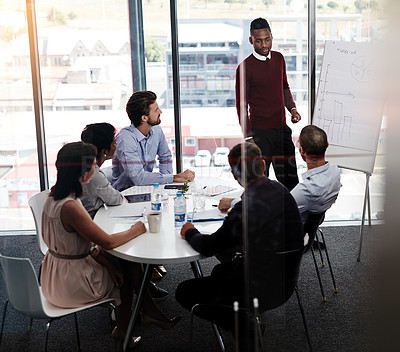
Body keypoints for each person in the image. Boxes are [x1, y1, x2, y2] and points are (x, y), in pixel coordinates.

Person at [41, 142, 181, 350]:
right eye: (93, 166)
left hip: (55, 270)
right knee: (124, 279)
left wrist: (107, 262)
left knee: (127, 262)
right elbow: (106, 241)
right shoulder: (71, 206)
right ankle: (127, 329)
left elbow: (82, 245)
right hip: (69, 281)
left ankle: (146, 311)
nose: (96, 168)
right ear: (84, 173)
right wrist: (136, 229)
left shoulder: (53, 197)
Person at [175, 143, 303, 342]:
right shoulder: (281, 190)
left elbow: (209, 247)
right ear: (262, 163)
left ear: (235, 176)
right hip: (286, 280)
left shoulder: (245, 209)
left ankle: (244, 327)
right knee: (221, 271)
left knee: (184, 291)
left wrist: (190, 232)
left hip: (261, 288)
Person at [81, 123, 169, 298]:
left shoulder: (87, 167)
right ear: (104, 149)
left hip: (96, 219)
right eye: (113, 141)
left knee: (134, 229)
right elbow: (116, 199)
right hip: (92, 229)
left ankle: (146, 294)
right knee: (134, 234)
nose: (117, 144)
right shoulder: (95, 175)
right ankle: (142, 295)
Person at [235, 17, 301, 191]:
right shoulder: (244, 68)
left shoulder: (279, 59)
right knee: (260, 186)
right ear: (251, 40)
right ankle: (265, 218)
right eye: (258, 41)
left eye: (267, 39)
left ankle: (292, 217)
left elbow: (285, 87)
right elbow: (241, 106)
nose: (264, 45)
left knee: (292, 183)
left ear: (271, 37)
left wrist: (292, 109)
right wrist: (249, 138)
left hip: (282, 132)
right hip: (259, 136)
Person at [112, 91, 195, 191]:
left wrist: (166, 187)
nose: (160, 111)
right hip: (125, 194)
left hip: (146, 189)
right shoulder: (126, 139)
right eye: (156, 110)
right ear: (144, 118)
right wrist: (174, 178)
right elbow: (139, 178)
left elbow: (165, 157)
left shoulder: (156, 129)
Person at [290, 125, 342, 224]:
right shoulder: (335, 173)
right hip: (310, 229)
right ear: (327, 144)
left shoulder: (305, 191)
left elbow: (278, 214)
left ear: (302, 151)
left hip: (294, 234)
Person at [81, 123, 124, 218]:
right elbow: (116, 199)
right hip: (91, 222)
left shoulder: (83, 166)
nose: (116, 146)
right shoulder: (94, 175)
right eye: (114, 143)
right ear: (104, 151)